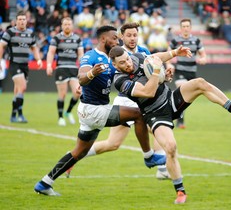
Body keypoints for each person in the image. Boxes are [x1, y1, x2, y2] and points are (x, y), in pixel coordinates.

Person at [109, 45, 231, 204]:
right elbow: (148, 92)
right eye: (123, 63)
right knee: (171, 148)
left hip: (170, 99)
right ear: (115, 65)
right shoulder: (120, 80)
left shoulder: (137, 57)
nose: (128, 63)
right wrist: (157, 72)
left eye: (128, 59)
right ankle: (180, 191)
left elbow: (156, 58)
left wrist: (173, 56)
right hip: (155, 114)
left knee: (199, 83)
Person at [34, 25, 166, 196]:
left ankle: (44, 183)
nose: (117, 41)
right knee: (138, 116)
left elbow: (132, 71)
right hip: (94, 110)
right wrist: (91, 75)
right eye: (114, 38)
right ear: (103, 39)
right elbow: (81, 77)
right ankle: (149, 157)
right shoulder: (91, 56)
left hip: (93, 110)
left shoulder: (114, 58)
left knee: (78, 152)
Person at [66, 22, 170, 180]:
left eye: (135, 35)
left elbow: (153, 77)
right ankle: (158, 165)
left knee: (113, 144)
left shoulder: (144, 52)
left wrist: (165, 76)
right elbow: (103, 73)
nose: (132, 38)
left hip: (142, 98)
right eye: (128, 35)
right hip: (126, 101)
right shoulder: (116, 53)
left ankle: (161, 167)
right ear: (121, 37)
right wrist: (85, 86)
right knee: (155, 128)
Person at [0, 11, 43, 123]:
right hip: (14, 64)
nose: (22, 21)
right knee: (22, 87)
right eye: (19, 19)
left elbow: (34, 47)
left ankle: (13, 115)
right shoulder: (10, 32)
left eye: (23, 19)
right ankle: (20, 114)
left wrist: (38, 59)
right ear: (16, 21)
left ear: (26, 21)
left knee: (18, 91)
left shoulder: (30, 33)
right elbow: (1, 45)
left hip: (25, 65)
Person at [168, 18, 207, 129]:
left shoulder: (196, 41)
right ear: (181, 28)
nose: (185, 28)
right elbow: (168, 54)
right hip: (180, 70)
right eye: (183, 26)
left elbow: (203, 55)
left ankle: (176, 116)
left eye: (187, 26)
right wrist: (169, 65)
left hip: (192, 72)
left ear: (190, 28)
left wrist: (203, 59)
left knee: (187, 98)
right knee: (182, 92)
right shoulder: (176, 41)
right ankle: (180, 122)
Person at [46, 17, 84, 126]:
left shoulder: (77, 39)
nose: (67, 26)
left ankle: (68, 112)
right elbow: (51, 52)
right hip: (61, 68)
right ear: (62, 26)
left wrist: (83, 66)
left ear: (72, 26)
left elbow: (80, 54)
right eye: (65, 24)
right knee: (62, 94)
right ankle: (60, 117)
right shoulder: (56, 38)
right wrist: (49, 65)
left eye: (69, 24)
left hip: (73, 69)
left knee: (78, 92)